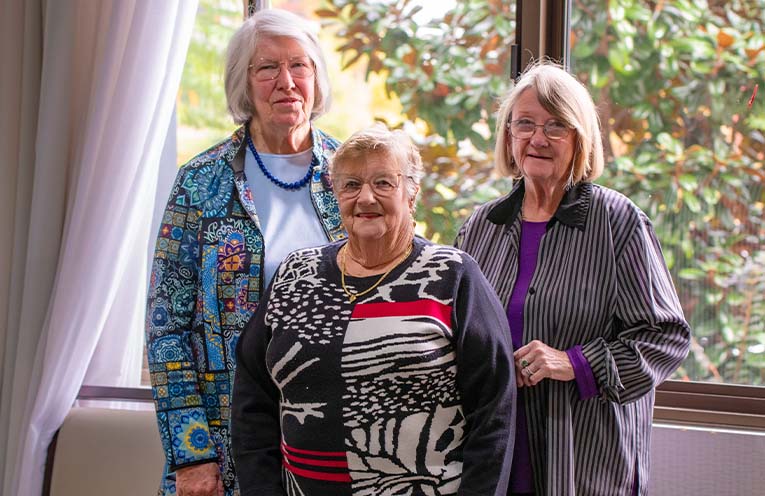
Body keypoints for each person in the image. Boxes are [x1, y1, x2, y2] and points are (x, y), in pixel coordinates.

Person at [231, 124, 517, 496]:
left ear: (411, 193)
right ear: (336, 193)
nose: (365, 198)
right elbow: (252, 399)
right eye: (351, 184)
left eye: (383, 183)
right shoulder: (294, 274)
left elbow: (494, 413)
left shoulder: (452, 276)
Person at [455, 61, 691, 495]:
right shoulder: (481, 227)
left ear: (581, 138)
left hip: (584, 458)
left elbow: (665, 338)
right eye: (525, 124)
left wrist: (574, 363)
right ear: (508, 135)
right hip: (496, 454)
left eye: (556, 126)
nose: (537, 138)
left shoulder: (618, 222)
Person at [145, 9, 346, 496]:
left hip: (333, 439)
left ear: (316, 77)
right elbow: (166, 330)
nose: (286, 82)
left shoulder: (350, 177)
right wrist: (192, 454)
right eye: (267, 68)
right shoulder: (200, 182)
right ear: (244, 82)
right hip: (225, 440)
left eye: (299, 65)